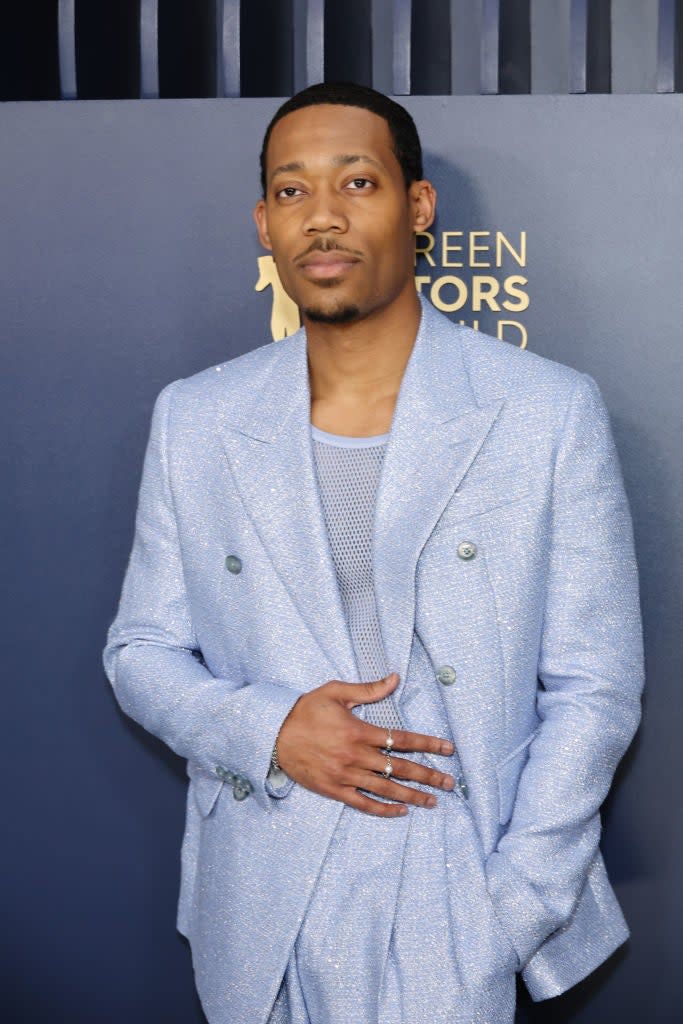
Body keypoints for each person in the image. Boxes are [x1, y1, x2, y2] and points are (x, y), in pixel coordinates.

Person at [102, 82, 645, 1024]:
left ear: (418, 206)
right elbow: (138, 651)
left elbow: (595, 686)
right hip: (261, 884)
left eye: (357, 182)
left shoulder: (544, 411)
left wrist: (507, 909)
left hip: (453, 875)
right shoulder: (196, 418)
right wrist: (269, 729)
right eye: (291, 191)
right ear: (264, 225)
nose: (322, 218)